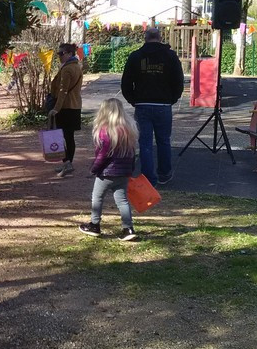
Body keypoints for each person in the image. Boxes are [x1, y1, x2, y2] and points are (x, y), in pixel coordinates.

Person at [121, 26, 184, 186]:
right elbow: (178, 81)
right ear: (160, 38)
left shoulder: (136, 56)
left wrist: (133, 100)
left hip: (142, 104)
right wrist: (172, 99)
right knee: (164, 141)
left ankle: (148, 178)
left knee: (145, 143)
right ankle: (164, 173)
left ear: (145, 38)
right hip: (163, 104)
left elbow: (126, 82)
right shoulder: (170, 56)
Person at [79, 98, 138, 242]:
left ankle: (94, 224)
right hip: (123, 172)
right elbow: (132, 154)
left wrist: (94, 168)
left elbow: (103, 155)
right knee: (122, 200)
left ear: (104, 112)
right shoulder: (128, 130)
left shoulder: (105, 131)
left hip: (107, 173)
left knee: (97, 197)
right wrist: (131, 169)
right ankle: (128, 228)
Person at [47, 42, 83, 177]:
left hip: (65, 106)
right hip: (75, 105)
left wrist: (56, 109)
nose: (59, 56)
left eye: (61, 53)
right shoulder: (77, 66)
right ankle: (68, 163)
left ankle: (67, 162)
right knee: (69, 136)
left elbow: (63, 91)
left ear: (69, 54)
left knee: (60, 136)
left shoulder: (67, 69)